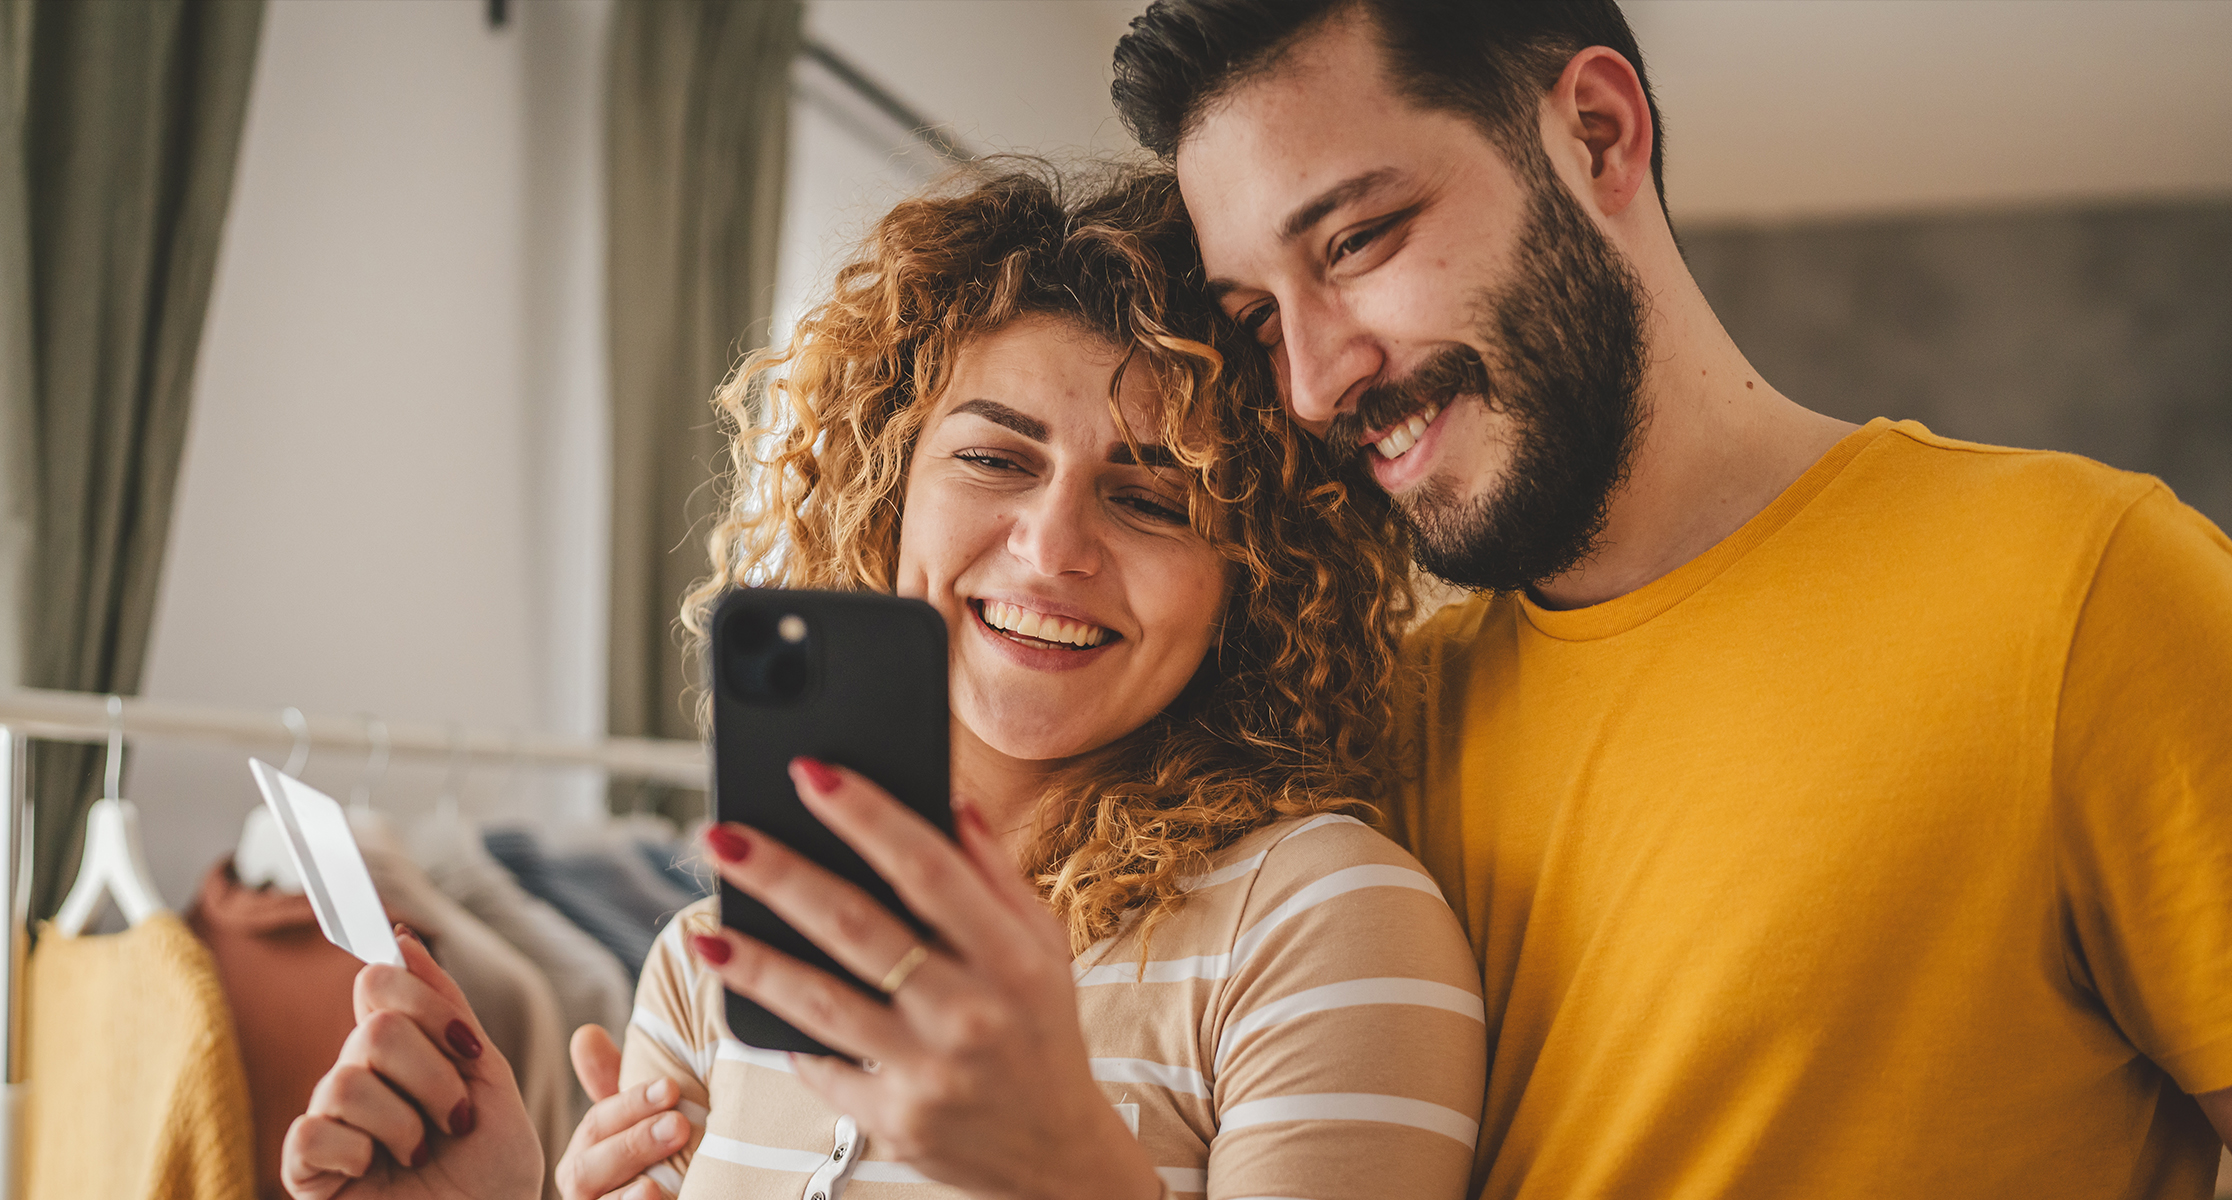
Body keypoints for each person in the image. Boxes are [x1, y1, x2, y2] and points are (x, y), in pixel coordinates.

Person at [1110, 2, 2232, 1198]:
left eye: (1355, 240)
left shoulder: (2087, 589)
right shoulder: (1371, 729)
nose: (1317, 381)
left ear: (1598, 134)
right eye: (1260, 318)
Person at [277, 165, 1484, 1200]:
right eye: (995, 459)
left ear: (1254, 570)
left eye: (1153, 495)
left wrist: (1066, 1162)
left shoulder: (1318, 923)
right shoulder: (714, 969)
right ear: (886, 491)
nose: (1053, 547)